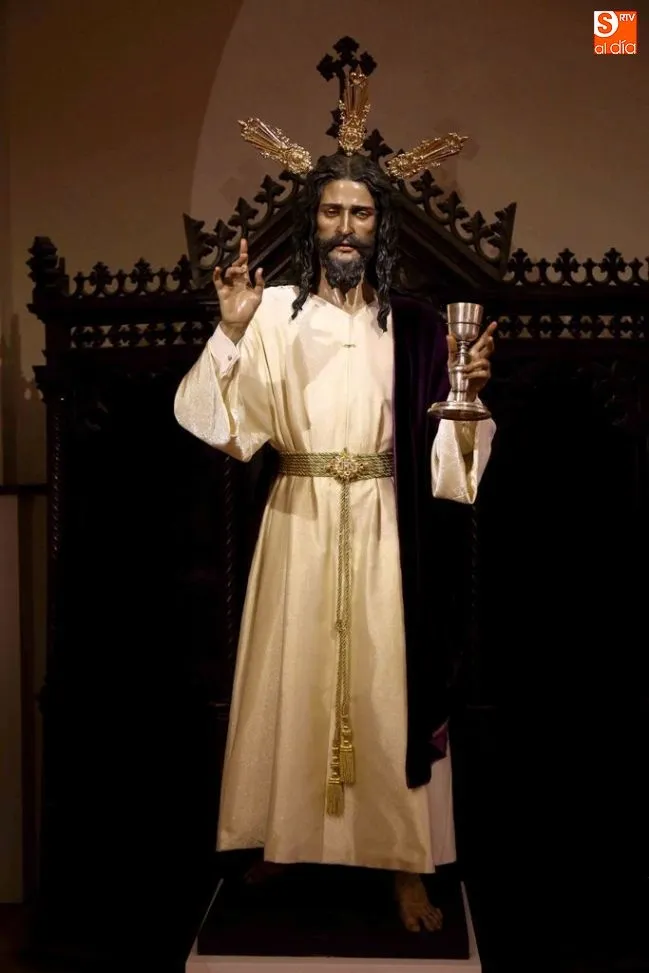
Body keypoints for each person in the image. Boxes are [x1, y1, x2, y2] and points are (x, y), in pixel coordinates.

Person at [174, 74, 496, 934]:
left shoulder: (415, 327)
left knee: (388, 688)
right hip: (300, 519)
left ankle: (403, 861)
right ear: (309, 222)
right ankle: (284, 836)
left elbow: (452, 472)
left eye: (359, 213)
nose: (345, 227)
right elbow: (220, 425)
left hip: (386, 526)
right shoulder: (273, 312)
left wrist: (466, 399)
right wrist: (231, 329)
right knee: (294, 680)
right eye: (330, 212)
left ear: (380, 225)